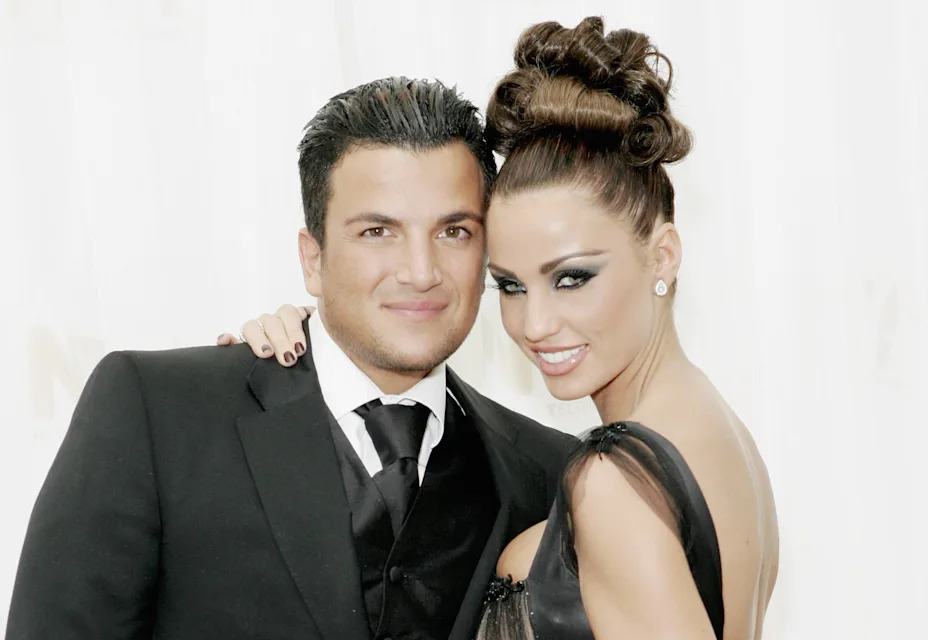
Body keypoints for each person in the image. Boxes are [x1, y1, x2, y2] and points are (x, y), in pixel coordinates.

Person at [235, 17, 779, 640]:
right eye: (512, 286)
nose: (536, 324)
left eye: (572, 277)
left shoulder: (616, 481)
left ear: (662, 255)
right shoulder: (716, 435)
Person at [6, 78, 574, 640]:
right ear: (312, 258)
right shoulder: (155, 413)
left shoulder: (548, 474)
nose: (421, 272)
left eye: (454, 231)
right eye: (378, 231)